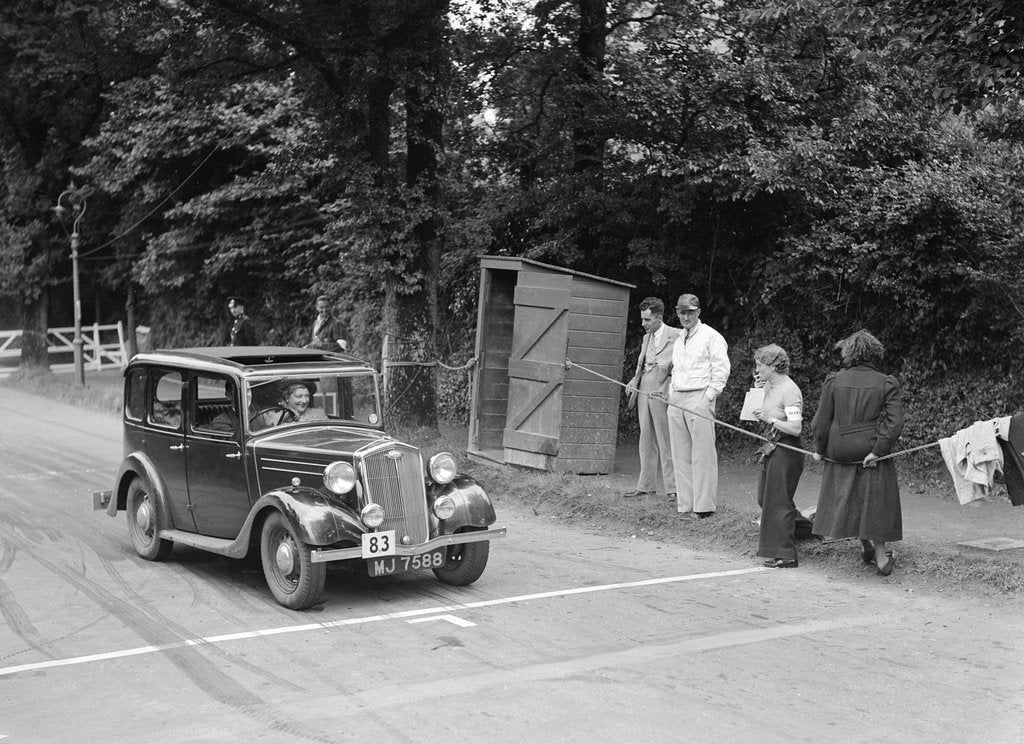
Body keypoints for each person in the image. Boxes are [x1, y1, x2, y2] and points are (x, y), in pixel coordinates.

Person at [811, 329, 905, 576]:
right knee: (875, 498)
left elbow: (820, 422)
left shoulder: (834, 380)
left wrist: (819, 449)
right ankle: (881, 556)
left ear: (849, 353)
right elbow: (895, 423)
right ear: (875, 353)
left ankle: (865, 546)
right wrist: (878, 451)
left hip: (838, 448)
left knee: (851, 494)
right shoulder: (886, 382)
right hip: (868, 447)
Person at [666, 293, 730, 520]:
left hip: (700, 396)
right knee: (680, 454)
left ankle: (703, 507)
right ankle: (685, 505)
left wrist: (708, 397)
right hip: (677, 398)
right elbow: (676, 370)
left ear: (698, 313)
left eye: (690, 313)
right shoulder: (679, 339)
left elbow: (721, 370)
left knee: (702, 455)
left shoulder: (711, 336)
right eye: (682, 312)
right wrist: (672, 394)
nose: (686, 317)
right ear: (677, 313)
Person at [751, 345, 804, 568]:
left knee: (778, 501)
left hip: (787, 448)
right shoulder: (767, 386)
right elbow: (754, 416)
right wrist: (756, 395)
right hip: (771, 445)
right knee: (764, 497)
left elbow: (796, 428)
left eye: (760, 365)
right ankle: (806, 530)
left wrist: (770, 419)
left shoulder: (790, 390)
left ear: (773, 366)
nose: (757, 370)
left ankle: (787, 554)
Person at [623, 297, 680, 501]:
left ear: (659, 317)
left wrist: (673, 389)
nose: (643, 324)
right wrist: (634, 380)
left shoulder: (677, 335)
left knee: (666, 439)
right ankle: (646, 486)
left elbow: (683, 366)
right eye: (642, 319)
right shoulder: (646, 338)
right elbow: (644, 364)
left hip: (663, 390)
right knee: (645, 437)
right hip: (644, 389)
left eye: (647, 320)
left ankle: (673, 488)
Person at [252, 381, 328, 430]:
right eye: (299, 396)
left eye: (307, 396)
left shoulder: (318, 413)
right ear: (287, 398)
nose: (304, 401)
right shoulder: (272, 416)